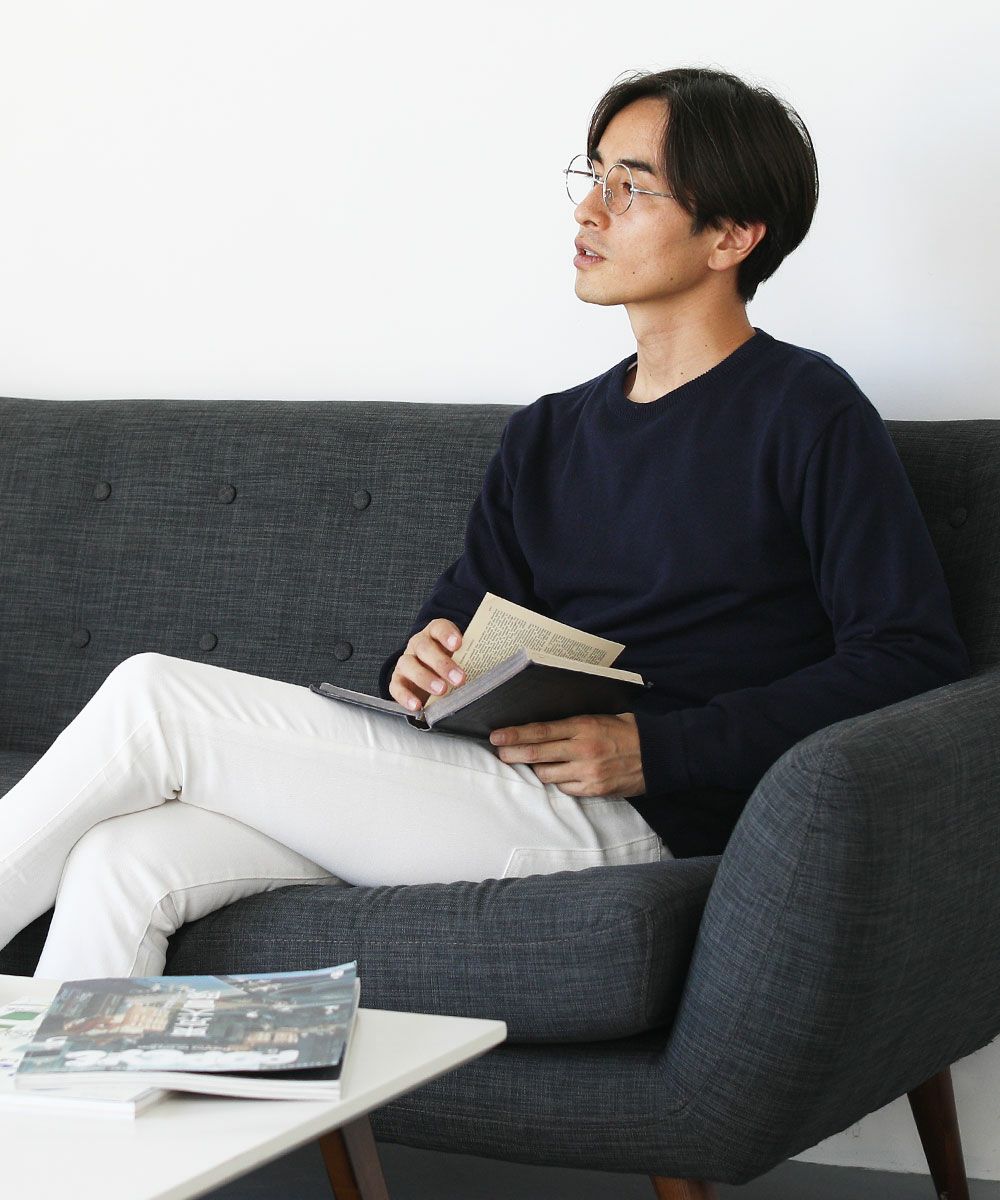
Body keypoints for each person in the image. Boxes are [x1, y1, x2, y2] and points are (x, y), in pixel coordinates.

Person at [0, 67, 970, 983]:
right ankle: (73, 1107)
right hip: (479, 777)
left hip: (636, 812)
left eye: (631, 187)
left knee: (154, 702)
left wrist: (658, 749)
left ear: (730, 238)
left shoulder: (805, 410)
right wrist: (420, 661)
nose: (589, 210)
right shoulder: (549, 432)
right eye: (592, 176)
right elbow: (460, 621)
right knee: (125, 857)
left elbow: (908, 653)